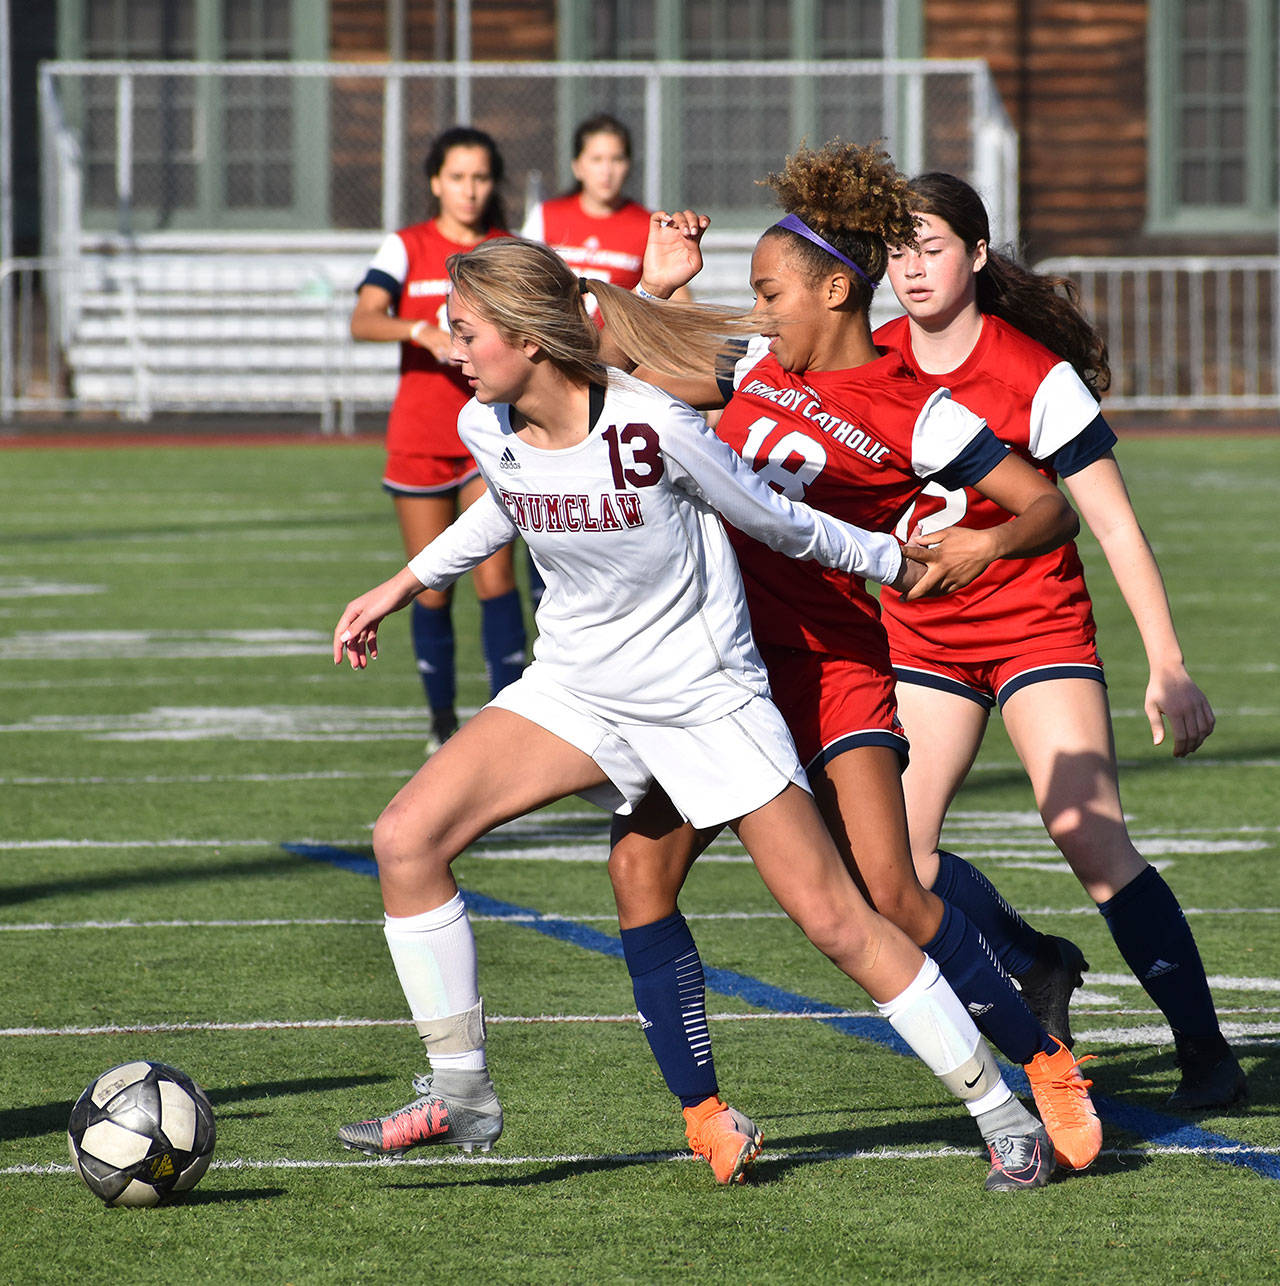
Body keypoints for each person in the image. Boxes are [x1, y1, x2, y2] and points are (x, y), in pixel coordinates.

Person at [330, 236, 1051, 1193]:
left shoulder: (654, 426)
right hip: (579, 687)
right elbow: (507, 502)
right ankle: (463, 1092)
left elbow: (775, 519)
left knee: (838, 919)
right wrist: (400, 584)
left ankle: (1004, 1116)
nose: (449, 347)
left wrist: (893, 560)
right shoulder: (483, 423)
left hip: (705, 698)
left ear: (530, 339)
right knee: (405, 837)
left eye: (464, 331)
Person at [601, 140, 1103, 1186]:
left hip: (829, 666)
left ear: (835, 287)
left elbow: (1044, 500)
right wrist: (655, 290)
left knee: (889, 889)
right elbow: (607, 360)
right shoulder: (748, 365)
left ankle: (1044, 1061)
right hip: (710, 671)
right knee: (639, 868)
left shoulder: (913, 405)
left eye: (768, 290)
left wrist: (977, 543)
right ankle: (705, 1113)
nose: (756, 308)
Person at [872, 170, 1247, 1112]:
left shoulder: (1033, 374)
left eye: (932, 247)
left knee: (1089, 835)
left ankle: (1206, 1054)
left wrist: (1169, 664)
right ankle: (1035, 964)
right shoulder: (866, 362)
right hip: (922, 637)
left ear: (978, 253)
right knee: (894, 865)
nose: (912, 269)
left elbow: (1113, 525)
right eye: (897, 250)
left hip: (1034, 625)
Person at [351, 125, 526, 748]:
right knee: (429, 585)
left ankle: (510, 720)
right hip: (422, 435)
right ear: (435, 183)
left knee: (496, 581)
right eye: (457, 177)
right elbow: (363, 319)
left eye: (480, 177)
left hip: (496, 437)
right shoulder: (407, 246)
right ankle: (441, 722)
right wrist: (418, 332)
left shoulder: (507, 251)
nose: (470, 190)